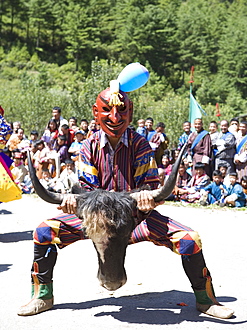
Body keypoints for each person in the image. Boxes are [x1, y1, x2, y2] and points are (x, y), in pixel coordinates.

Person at [18, 82, 234, 319]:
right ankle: (42, 295)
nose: (114, 117)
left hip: (135, 219)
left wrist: (145, 197)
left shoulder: (140, 143)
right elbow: (89, 191)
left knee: (189, 239)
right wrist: (73, 201)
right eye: (108, 111)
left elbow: (151, 189)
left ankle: (206, 300)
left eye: (121, 111)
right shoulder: (89, 145)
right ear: (95, 112)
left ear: (130, 112)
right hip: (96, 219)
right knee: (43, 232)